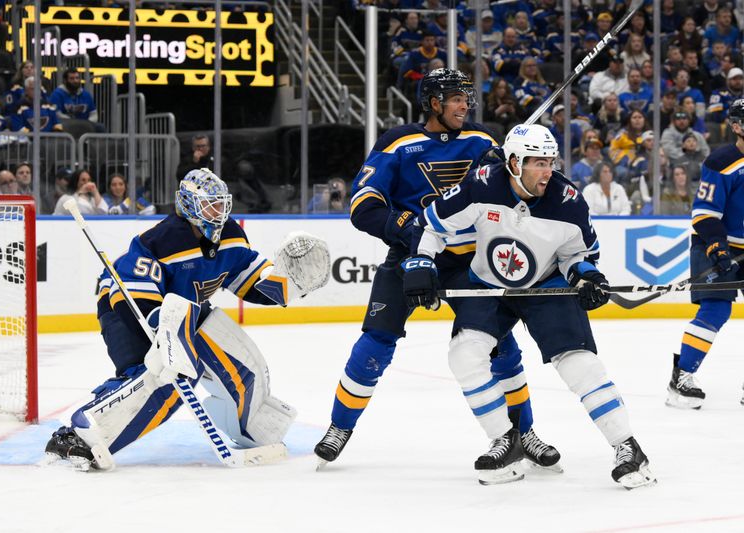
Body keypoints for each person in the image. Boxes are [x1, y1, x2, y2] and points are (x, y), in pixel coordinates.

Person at [313, 68, 561, 472]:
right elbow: (363, 206)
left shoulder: (482, 141)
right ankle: (339, 427)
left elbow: (511, 188)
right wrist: (409, 228)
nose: (466, 104)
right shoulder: (398, 143)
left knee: (500, 345)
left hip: (470, 261)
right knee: (377, 339)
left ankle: (523, 433)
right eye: (456, 98)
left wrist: (510, 165)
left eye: (467, 98)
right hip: (411, 258)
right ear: (432, 103)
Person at [402, 124, 655, 489]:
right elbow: (432, 225)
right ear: (515, 163)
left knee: (578, 364)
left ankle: (628, 448)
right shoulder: (482, 184)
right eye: (538, 162)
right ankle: (507, 441)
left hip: (546, 284)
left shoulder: (567, 201)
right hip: (489, 283)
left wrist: (585, 277)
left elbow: (577, 256)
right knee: (463, 355)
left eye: (550, 161)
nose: (548, 171)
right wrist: (422, 262)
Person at [44, 168, 326, 470]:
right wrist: (164, 339)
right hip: (123, 307)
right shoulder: (161, 240)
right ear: (190, 205)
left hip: (184, 311)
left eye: (222, 204)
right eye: (210, 205)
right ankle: (77, 435)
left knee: (232, 349)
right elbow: (133, 293)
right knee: (161, 377)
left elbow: (252, 280)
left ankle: (251, 426)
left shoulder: (231, 235)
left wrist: (291, 284)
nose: (219, 212)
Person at [667, 98, 744, 409]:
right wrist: (719, 248)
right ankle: (681, 377)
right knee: (715, 309)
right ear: (737, 126)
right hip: (715, 244)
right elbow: (704, 214)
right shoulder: (722, 161)